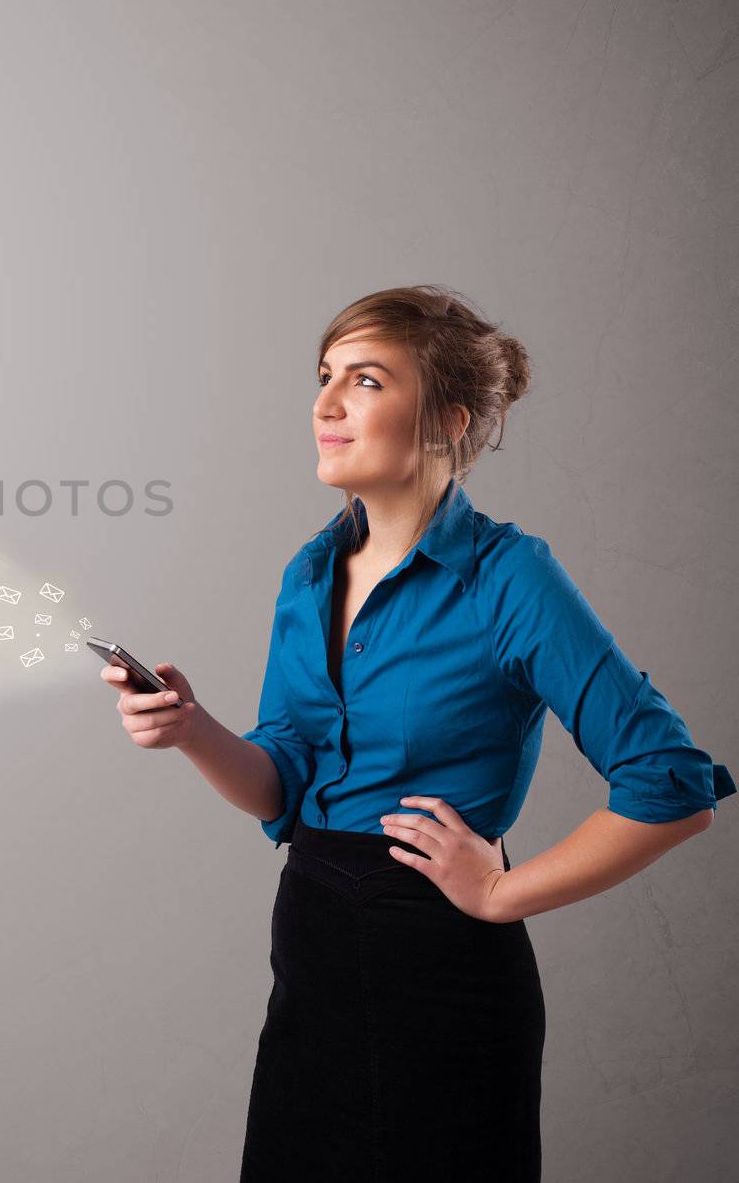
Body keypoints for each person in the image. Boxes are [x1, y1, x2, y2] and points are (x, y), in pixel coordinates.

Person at [101, 284, 734, 1181]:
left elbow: (671, 786)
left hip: (441, 970)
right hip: (312, 946)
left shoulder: (511, 578)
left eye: (364, 381)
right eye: (324, 377)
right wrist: (191, 730)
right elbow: (282, 783)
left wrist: (502, 894)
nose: (325, 404)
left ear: (445, 420)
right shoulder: (310, 571)